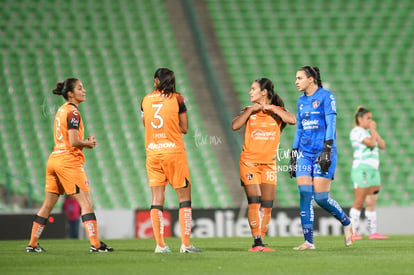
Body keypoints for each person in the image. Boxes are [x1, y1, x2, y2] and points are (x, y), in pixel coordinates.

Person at [26, 78, 113, 253]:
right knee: (86, 203)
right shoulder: (73, 112)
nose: (84, 90)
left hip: (54, 159)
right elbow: (73, 141)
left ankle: (32, 244)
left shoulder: (61, 110)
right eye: (80, 88)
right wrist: (87, 143)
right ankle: (96, 245)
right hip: (68, 161)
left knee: (47, 205)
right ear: (70, 94)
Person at [288, 66, 354, 250]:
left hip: (323, 151)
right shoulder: (301, 101)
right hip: (304, 153)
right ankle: (309, 241)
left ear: (311, 79)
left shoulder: (326, 97)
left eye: (299, 77)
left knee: (321, 197)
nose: (296, 81)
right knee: (304, 193)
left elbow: (331, 123)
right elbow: (300, 128)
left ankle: (347, 222)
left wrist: (327, 148)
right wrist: (294, 154)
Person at [232, 78, 296, 252]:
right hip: (249, 163)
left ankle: (261, 241)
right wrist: (251, 110)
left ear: (264, 92)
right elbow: (235, 125)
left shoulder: (277, 112)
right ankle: (257, 241)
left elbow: (292, 120)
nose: (250, 92)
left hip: (269, 165)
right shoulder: (249, 111)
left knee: (267, 205)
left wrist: (271, 108)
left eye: (253, 89)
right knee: (255, 200)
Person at [141, 68, 201, 253]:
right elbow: (184, 128)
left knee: (157, 199)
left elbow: (145, 123)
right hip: (173, 153)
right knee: (184, 198)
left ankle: (160, 245)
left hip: (152, 153)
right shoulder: (178, 98)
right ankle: (185, 244)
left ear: (155, 81)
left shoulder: (145, 100)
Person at [349, 106, 388, 239]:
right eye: (368, 118)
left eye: (371, 118)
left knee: (372, 201)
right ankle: (352, 232)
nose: (371, 121)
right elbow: (371, 144)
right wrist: (373, 130)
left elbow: (382, 145)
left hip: (373, 170)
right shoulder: (356, 131)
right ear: (360, 119)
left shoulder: (370, 132)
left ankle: (373, 232)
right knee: (359, 202)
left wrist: (373, 131)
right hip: (362, 169)